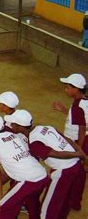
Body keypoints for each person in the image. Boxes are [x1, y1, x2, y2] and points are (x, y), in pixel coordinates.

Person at [5, 109, 86, 219]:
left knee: (47, 210)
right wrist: (79, 151)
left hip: (64, 171)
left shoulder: (34, 142)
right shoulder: (44, 127)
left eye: (13, 124)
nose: (11, 126)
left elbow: (56, 154)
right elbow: (66, 139)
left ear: (20, 127)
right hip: (75, 166)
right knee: (64, 201)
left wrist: (78, 154)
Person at [0, 113, 49, 218]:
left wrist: (0, 196)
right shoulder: (9, 132)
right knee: (32, 203)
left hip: (28, 181)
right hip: (42, 175)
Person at [52, 73, 87, 211]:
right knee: (79, 172)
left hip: (78, 141)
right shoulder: (83, 101)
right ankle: (75, 201)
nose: (66, 90)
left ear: (76, 89)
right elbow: (79, 119)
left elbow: (82, 129)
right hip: (81, 140)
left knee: (70, 170)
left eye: (68, 87)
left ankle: (69, 200)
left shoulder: (78, 105)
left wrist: (79, 149)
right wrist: (64, 110)